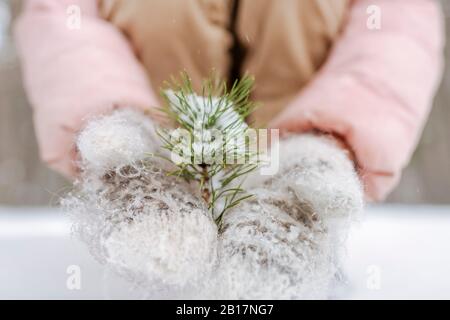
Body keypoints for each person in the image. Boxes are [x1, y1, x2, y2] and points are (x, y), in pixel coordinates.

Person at [15, 0, 445, 298]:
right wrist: (111, 118)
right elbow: (63, 23)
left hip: (290, 154)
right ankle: (150, 201)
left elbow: (396, 29)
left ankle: (292, 215)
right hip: (165, 150)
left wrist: (330, 138)